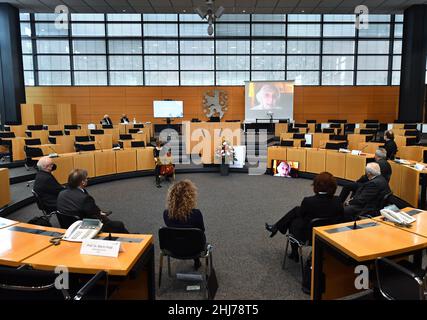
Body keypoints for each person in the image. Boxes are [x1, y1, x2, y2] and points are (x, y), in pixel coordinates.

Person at [265, 172, 344, 261]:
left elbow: (302, 215)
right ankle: (277, 227)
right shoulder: (338, 201)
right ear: (334, 186)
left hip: (308, 237)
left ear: (315, 186)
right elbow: (341, 215)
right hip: (329, 235)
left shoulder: (308, 201)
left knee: (293, 220)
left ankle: (293, 251)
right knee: (296, 211)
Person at [57, 169, 129, 233]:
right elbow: (95, 214)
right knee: (119, 225)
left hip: (68, 226)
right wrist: (101, 215)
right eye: (86, 179)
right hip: (84, 226)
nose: (87, 180)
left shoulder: (61, 193)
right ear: (83, 182)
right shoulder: (84, 198)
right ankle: (132, 240)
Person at [163, 180, 205, 270]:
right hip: (195, 248)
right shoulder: (196, 214)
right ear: (190, 197)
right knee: (194, 235)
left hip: (173, 247)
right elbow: (202, 231)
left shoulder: (166, 214)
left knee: (183, 234)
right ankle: (196, 261)